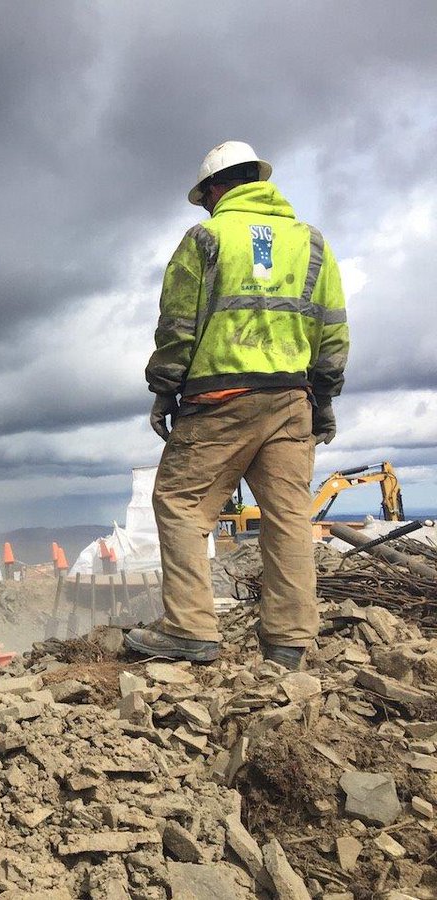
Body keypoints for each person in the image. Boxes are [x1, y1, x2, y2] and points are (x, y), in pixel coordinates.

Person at [124, 141, 349, 670]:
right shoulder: (311, 242)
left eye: (205, 197)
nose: (205, 206)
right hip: (293, 398)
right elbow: (333, 329)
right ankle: (288, 643)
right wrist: (325, 398)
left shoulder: (206, 237)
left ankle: (190, 631)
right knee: (290, 516)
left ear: (218, 188)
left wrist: (163, 387)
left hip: (220, 397)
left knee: (180, 503)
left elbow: (178, 326)